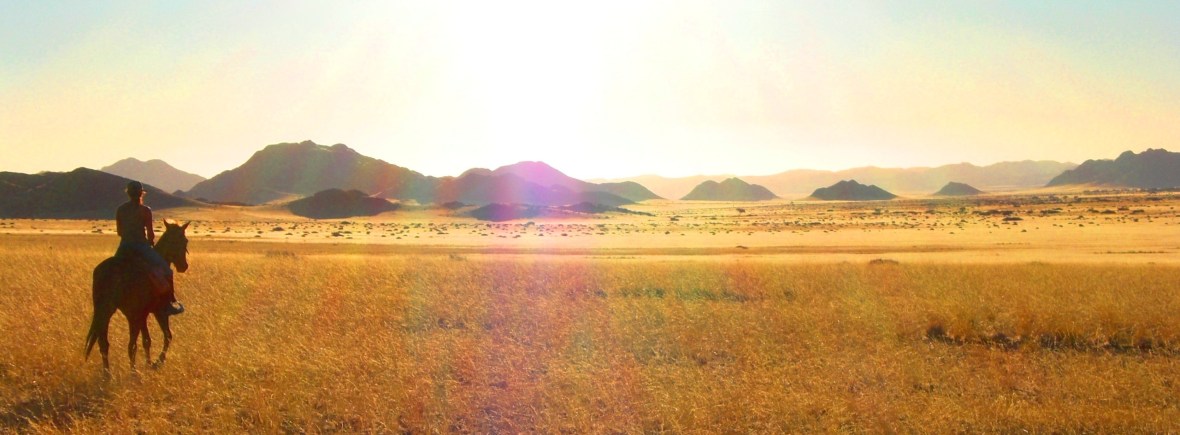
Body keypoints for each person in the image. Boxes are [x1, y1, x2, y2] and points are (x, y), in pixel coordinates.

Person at [116, 181, 183, 315]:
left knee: (115, 267)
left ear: (128, 193)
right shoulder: (145, 210)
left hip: (124, 246)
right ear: (141, 194)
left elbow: (120, 232)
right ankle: (169, 302)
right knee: (166, 271)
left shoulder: (121, 209)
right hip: (141, 246)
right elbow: (150, 233)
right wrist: (150, 242)